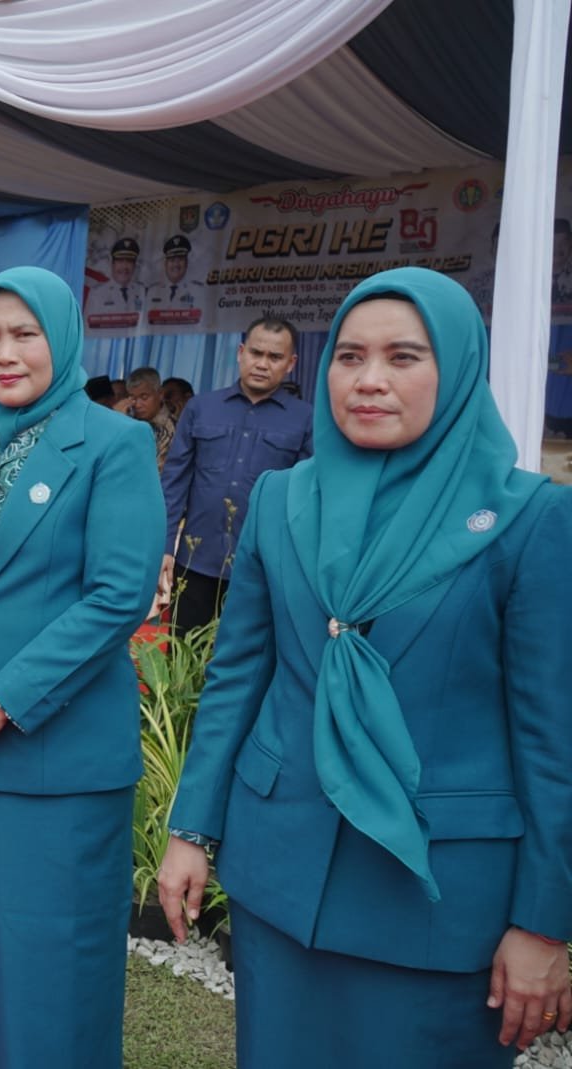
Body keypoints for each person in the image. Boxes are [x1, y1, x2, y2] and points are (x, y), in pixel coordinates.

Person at [158, 267, 572, 1067]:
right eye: (349, 356)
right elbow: (238, 679)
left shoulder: (528, 520)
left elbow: (553, 738)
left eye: (403, 357)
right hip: (282, 875)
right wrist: (192, 829)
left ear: (457, 370)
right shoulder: (282, 499)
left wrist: (543, 921)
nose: (370, 379)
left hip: (435, 897)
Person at [0, 266, 162, 1069]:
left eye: (25, 334)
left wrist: (2, 699)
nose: (4, 353)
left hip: (60, 763)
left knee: (57, 977)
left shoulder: (114, 444)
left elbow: (119, 596)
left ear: (63, 338)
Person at [159, 316, 312, 632]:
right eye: (256, 353)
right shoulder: (201, 408)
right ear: (241, 352)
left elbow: (307, 501)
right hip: (194, 562)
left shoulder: (305, 419)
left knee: (245, 657)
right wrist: (163, 547)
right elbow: (173, 483)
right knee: (182, 653)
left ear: (291, 363)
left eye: (275, 357)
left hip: (262, 569)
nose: (262, 364)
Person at [125, 366, 176, 470]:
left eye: (144, 397)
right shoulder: (129, 421)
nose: (137, 405)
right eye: (133, 398)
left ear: (160, 394)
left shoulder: (171, 429)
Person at [83, 237, 144, 323]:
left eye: (129, 261)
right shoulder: (97, 293)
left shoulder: (141, 291)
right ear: (112, 264)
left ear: (134, 265)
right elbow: (88, 325)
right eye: (120, 261)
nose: (124, 267)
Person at [145, 234, 204, 320]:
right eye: (172, 260)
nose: (176, 265)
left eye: (180, 259)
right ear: (165, 264)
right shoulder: (152, 291)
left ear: (186, 263)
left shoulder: (198, 290)